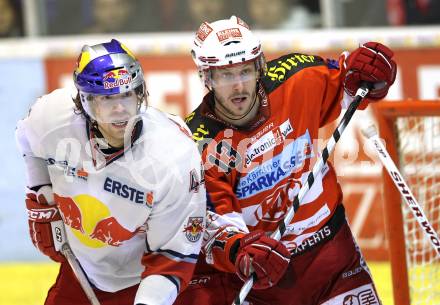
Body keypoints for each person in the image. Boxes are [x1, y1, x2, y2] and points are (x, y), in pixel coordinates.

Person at [175, 16, 396, 305]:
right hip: (264, 279)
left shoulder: (298, 77)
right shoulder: (199, 144)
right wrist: (240, 249)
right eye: (225, 75)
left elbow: (351, 81)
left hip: (332, 256)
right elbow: (218, 227)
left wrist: (371, 70)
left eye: (245, 71)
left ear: (259, 66)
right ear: (206, 77)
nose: (239, 86)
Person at [15, 39, 206, 305]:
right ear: (86, 101)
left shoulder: (173, 154)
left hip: (146, 282)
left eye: (126, 94)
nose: (119, 109)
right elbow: (27, 141)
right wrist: (41, 194)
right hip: (79, 273)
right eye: (107, 98)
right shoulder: (52, 115)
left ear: (140, 94)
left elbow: (174, 256)